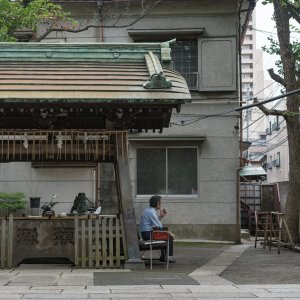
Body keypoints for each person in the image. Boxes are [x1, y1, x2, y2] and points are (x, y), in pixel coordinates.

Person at [140, 195, 176, 263]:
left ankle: (164, 256)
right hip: (148, 234)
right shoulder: (151, 212)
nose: (161, 204)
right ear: (157, 203)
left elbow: (155, 223)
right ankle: (168, 257)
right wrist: (169, 233)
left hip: (146, 233)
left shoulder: (148, 210)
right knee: (169, 237)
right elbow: (159, 225)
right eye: (160, 202)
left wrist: (161, 216)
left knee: (165, 234)